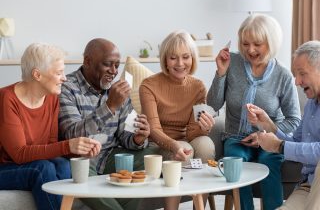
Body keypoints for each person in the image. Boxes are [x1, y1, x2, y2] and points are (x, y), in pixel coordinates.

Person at [207, 14, 301, 210]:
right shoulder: (231, 62)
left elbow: (294, 120)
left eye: (257, 44)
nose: (250, 50)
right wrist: (221, 73)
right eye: (246, 43)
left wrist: (263, 134)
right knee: (236, 164)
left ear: (271, 43)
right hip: (236, 137)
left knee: (269, 163)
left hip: (270, 138)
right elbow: (213, 105)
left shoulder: (283, 75)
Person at [0, 43, 101, 210]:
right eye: (58, 73)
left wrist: (78, 148)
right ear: (37, 75)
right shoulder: (6, 99)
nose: (64, 78)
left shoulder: (51, 98)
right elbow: (19, 154)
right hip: (4, 166)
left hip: (29, 164)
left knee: (62, 164)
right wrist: (67, 145)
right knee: (42, 169)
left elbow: (50, 145)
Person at [59, 38, 154, 210]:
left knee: (156, 154)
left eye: (117, 65)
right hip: (83, 159)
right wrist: (110, 106)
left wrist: (138, 138)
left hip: (111, 156)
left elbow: (125, 135)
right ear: (87, 61)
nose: (114, 71)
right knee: (79, 171)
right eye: (107, 64)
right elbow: (73, 135)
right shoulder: (67, 88)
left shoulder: (117, 89)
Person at [139, 30, 215, 210]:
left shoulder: (198, 87)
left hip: (186, 141)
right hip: (159, 144)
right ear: (165, 60)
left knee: (205, 144)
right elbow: (154, 130)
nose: (180, 64)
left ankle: (199, 208)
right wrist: (175, 145)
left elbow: (191, 131)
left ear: (193, 58)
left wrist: (204, 128)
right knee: (185, 149)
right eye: (173, 58)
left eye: (186, 57)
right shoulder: (148, 86)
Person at [248, 40, 320, 210]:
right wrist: (269, 125)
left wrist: (279, 146)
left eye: (302, 74)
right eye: (296, 74)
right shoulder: (311, 105)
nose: (297, 81)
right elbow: (296, 142)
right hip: (307, 188)